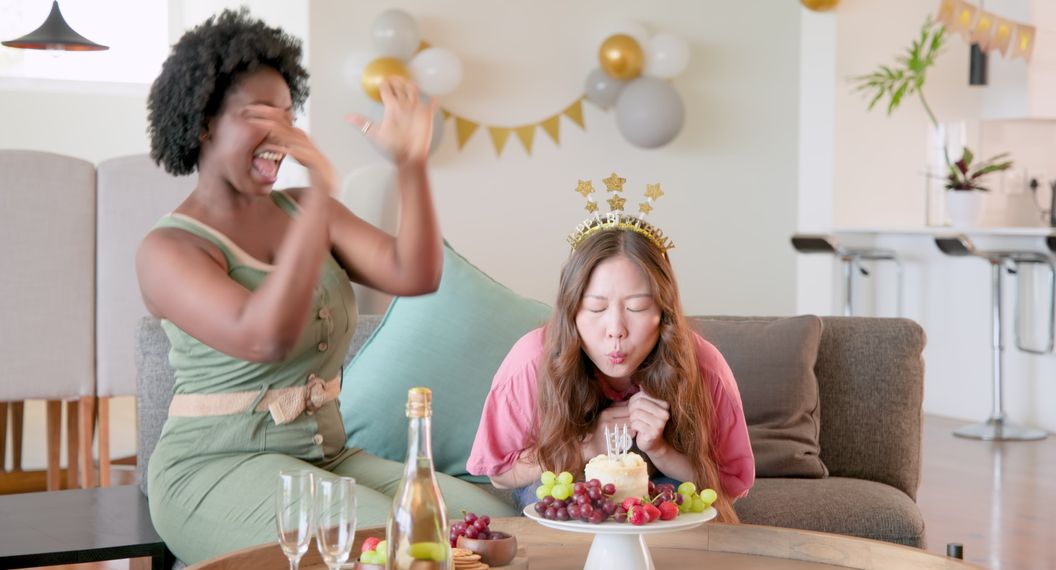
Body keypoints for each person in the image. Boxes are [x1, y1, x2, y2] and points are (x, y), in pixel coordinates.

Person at [138, 9, 513, 564]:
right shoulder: (168, 250)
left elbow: (416, 273)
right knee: (375, 540)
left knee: (493, 526)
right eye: (261, 115)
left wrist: (411, 165)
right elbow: (263, 337)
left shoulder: (309, 208)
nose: (284, 135)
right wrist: (319, 195)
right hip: (214, 469)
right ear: (203, 122)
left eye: (289, 116)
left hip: (327, 458)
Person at [467, 209, 755, 523]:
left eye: (637, 307)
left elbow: (729, 486)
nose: (615, 329)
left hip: (662, 500)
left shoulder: (704, 365)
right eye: (596, 307)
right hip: (568, 501)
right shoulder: (531, 361)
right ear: (571, 311)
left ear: (664, 311)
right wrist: (584, 447)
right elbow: (499, 474)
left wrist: (659, 450)